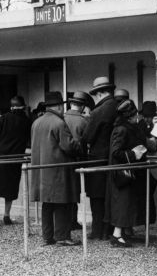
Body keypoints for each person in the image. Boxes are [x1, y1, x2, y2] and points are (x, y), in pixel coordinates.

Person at [30, 91, 82, 246]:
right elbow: (68, 146)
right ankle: (62, 236)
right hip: (57, 170)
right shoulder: (59, 123)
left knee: (47, 204)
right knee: (62, 203)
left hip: (40, 171)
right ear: (59, 106)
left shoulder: (36, 122)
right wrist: (79, 143)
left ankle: (47, 236)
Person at [106, 100, 149, 247]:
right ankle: (117, 235)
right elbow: (115, 152)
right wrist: (133, 153)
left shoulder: (124, 128)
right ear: (131, 115)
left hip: (125, 171)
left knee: (125, 203)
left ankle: (120, 234)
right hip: (122, 173)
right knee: (122, 203)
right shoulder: (122, 129)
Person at [0, 95, 31, 225]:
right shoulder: (27, 121)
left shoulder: (5, 118)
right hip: (15, 157)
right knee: (10, 186)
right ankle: (7, 215)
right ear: (23, 107)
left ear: (11, 107)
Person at [83, 76, 118, 240]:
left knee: (97, 197)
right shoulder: (118, 106)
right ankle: (110, 230)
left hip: (98, 158)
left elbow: (88, 137)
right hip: (115, 158)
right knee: (111, 196)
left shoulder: (98, 111)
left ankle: (98, 231)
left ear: (98, 93)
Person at [64, 91, 91, 230]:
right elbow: (88, 140)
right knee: (75, 190)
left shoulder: (61, 118)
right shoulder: (83, 121)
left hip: (63, 160)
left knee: (66, 190)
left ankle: (67, 220)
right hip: (78, 159)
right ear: (82, 107)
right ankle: (73, 220)